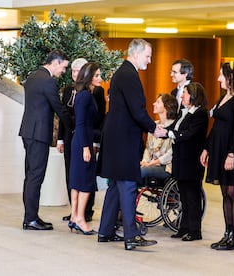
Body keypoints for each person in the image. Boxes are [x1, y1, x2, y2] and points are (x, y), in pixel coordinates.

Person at [97, 38, 158, 250]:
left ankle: (105, 231)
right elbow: (137, 110)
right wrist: (154, 128)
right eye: (148, 56)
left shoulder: (122, 72)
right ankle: (131, 236)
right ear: (136, 53)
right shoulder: (129, 75)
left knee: (115, 186)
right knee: (128, 185)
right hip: (123, 141)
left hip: (115, 138)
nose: (149, 61)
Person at [200, 61, 234, 250]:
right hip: (219, 148)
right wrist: (207, 148)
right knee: (225, 193)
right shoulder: (224, 97)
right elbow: (216, 127)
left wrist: (232, 154)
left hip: (233, 150)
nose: (218, 79)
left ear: (231, 77)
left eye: (221, 75)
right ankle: (227, 233)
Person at [19, 50, 72, 230]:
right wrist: (73, 125)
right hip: (39, 133)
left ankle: (31, 216)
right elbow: (58, 107)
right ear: (55, 63)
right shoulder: (49, 81)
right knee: (36, 176)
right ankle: (30, 219)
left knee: (30, 175)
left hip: (28, 132)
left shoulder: (33, 77)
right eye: (63, 67)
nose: (63, 72)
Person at [164, 82, 209, 241]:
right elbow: (173, 130)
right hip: (181, 160)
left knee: (193, 197)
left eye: (185, 93)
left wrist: (171, 134)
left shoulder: (201, 113)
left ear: (194, 95)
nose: (182, 96)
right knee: (183, 196)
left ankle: (195, 230)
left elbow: (188, 134)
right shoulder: (184, 112)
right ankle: (184, 227)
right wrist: (162, 132)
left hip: (192, 161)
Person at [57, 58, 93, 222]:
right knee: (71, 173)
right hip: (70, 135)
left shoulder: (93, 92)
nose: (74, 74)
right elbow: (62, 114)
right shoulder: (68, 90)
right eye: (72, 71)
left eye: (78, 71)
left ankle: (85, 211)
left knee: (85, 176)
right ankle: (74, 211)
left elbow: (95, 118)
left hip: (85, 135)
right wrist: (60, 139)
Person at [67, 62, 102, 235]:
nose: (100, 78)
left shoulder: (85, 94)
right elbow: (80, 124)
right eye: (96, 76)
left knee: (77, 181)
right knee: (86, 182)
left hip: (82, 141)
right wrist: (86, 148)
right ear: (88, 76)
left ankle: (75, 216)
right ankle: (80, 217)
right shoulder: (85, 96)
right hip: (82, 142)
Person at [140, 93, 178, 181]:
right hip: (152, 164)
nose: (154, 104)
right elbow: (148, 148)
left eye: (157, 102)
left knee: (140, 171)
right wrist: (145, 161)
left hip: (166, 167)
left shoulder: (174, 126)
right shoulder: (154, 125)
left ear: (167, 107)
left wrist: (152, 163)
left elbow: (171, 153)